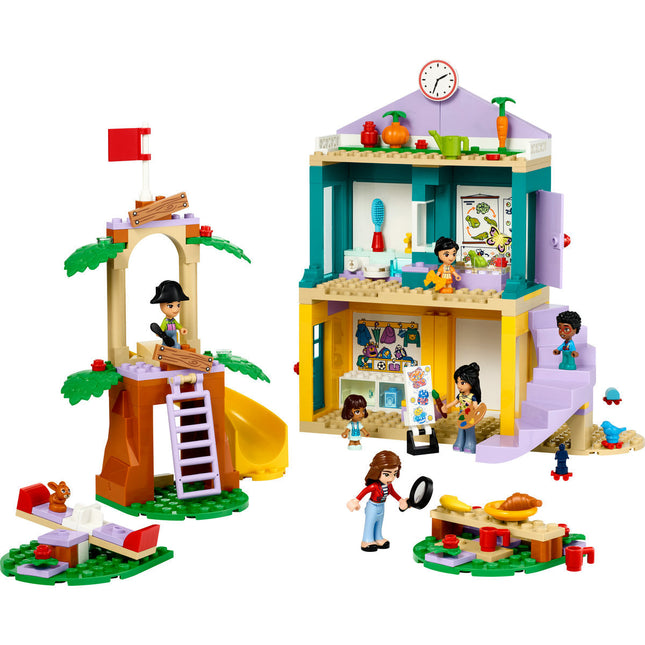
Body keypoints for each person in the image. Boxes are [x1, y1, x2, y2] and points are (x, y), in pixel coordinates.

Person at [346, 450, 408, 551]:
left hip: (381, 506)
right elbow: (364, 492)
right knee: (370, 523)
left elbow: (393, 493)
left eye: (395, 473)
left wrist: (401, 500)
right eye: (387, 474)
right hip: (372, 506)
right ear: (377, 472)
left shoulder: (389, 485)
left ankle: (378, 538)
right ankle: (367, 540)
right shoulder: (374, 486)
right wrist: (356, 500)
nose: (392, 478)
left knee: (379, 523)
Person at [442, 362, 482, 453]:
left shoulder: (472, 396)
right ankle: (459, 443)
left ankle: (470, 444)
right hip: (461, 414)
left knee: (469, 429)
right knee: (461, 428)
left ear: (472, 382)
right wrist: (446, 407)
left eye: (462, 383)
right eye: (457, 382)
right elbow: (454, 402)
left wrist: (476, 412)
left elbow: (475, 406)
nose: (458, 386)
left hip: (470, 415)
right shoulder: (460, 395)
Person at [150, 280, 190, 348]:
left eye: (178, 305)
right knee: (166, 344)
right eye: (170, 306)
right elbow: (162, 328)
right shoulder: (165, 321)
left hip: (174, 335)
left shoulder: (174, 321)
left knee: (176, 345)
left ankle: (176, 347)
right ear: (161, 306)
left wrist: (181, 329)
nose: (176, 309)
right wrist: (160, 333)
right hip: (167, 335)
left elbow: (177, 325)